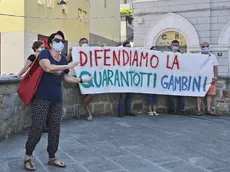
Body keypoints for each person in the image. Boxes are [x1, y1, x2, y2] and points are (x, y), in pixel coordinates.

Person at [23, 31, 93, 171]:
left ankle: (52, 157)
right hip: (42, 98)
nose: (60, 42)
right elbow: (48, 67)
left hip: (57, 99)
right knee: (38, 127)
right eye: (57, 40)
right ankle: (28, 157)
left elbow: (66, 78)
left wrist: (80, 80)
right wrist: (69, 66)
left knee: (55, 129)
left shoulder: (62, 59)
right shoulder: (45, 54)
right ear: (50, 43)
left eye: (62, 40)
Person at [196, 42, 218, 116]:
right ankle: (198, 109)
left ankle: (208, 109)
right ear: (201, 47)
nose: (205, 48)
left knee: (209, 94)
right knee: (199, 94)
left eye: (207, 46)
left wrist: (215, 77)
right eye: (204, 46)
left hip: (210, 78)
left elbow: (215, 67)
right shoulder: (197, 56)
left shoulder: (212, 56)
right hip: (200, 79)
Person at [117, 41, 136, 117]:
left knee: (130, 96)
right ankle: (120, 112)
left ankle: (128, 111)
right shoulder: (120, 55)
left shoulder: (133, 55)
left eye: (129, 46)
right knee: (123, 96)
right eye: (127, 46)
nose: (128, 48)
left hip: (131, 79)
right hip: (123, 79)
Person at [168, 40, 185, 115]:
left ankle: (181, 109)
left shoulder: (181, 53)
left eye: (176, 45)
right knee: (170, 95)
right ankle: (171, 110)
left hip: (179, 77)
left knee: (181, 94)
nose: (175, 46)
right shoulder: (167, 53)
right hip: (170, 76)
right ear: (171, 45)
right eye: (174, 45)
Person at [147, 46, 159, 116]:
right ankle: (150, 110)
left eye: (156, 50)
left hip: (156, 81)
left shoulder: (160, 58)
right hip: (150, 80)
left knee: (155, 97)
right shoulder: (148, 58)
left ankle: (154, 110)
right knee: (149, 96)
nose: (155, 51)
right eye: (154, 50)